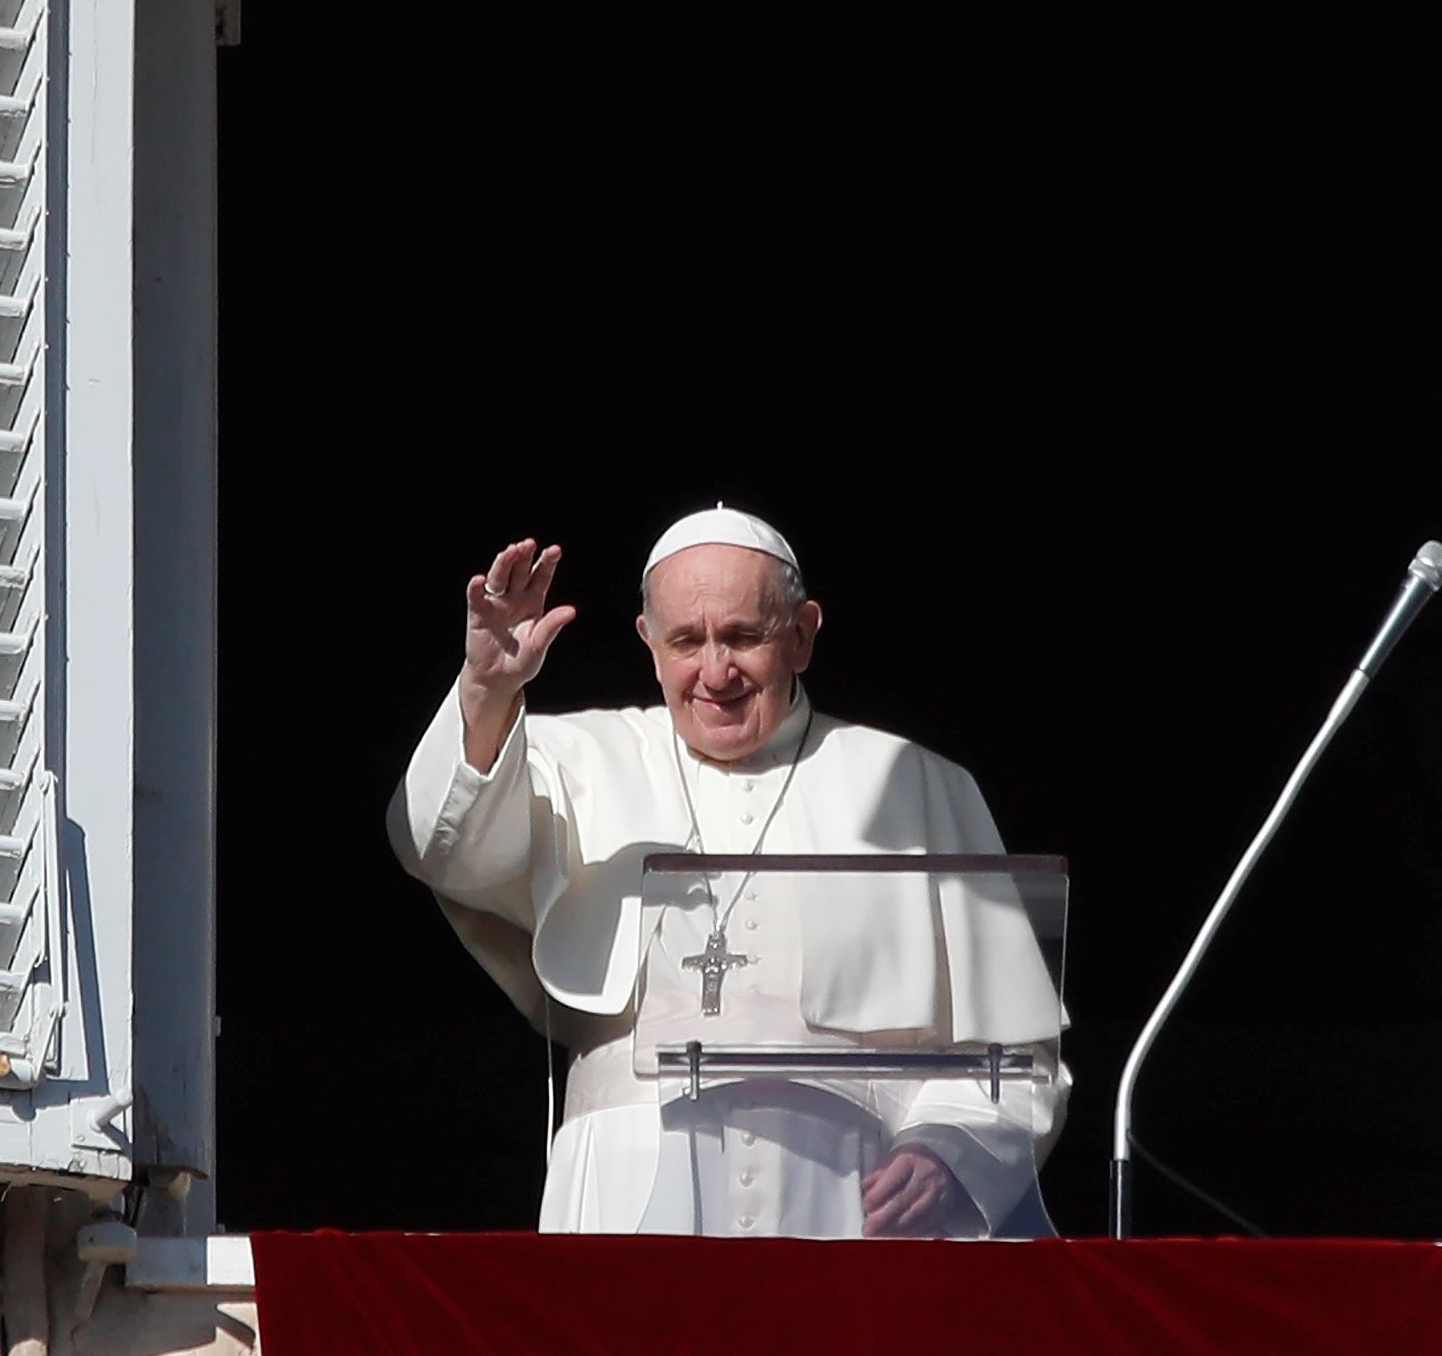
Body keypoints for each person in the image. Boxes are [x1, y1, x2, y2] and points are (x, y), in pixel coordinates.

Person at [390, 507, 1063, 1236]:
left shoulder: (916, 787)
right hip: (628, 1198)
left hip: (850, 1200)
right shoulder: (570, 759)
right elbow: (441, 842)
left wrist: (951, 1149)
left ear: (801, 634)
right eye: (686, 640)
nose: (716, 671)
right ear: (649, 644)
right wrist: (487, 691)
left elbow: (1016, 1050)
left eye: (743, 636)